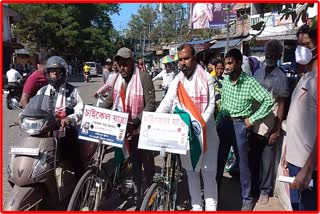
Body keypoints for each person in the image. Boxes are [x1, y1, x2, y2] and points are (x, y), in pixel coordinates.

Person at [156, 44, 219, 211]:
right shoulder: (177, 80)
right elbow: (167, 102)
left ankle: (211, 208)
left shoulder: (207, 77)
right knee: (191, 172)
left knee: (208, 173)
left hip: (207, 134)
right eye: (180, 60)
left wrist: (199, 124)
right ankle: (196, 206)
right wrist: (154, 119)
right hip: (186, 135)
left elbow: (211, 104)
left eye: (186, 58)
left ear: (194, 58)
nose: (183, 62)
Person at [216, 48, 274, 211]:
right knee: (219, 161)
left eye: (229, 63)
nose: (226, 67)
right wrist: (218, 123)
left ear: (239, 63)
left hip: (240, 125)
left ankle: (247, 200)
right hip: (225, 124)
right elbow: (224, 104)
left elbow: (268, 100)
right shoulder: (226, 80)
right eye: (225, 63)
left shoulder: (249, 82)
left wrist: (252, 119)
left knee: (243, 164)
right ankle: (214, 195)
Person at [103, 47, 156, 206]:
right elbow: (110, 100)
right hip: (124, 131)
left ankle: (152, 193)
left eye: (125, 64)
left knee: (147, 165)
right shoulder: (116, 79)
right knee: (134, 166)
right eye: (119, 64)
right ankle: (139, 197)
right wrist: (95, 112)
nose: (122, 68)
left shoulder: (144, 77)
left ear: (132, 62)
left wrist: (136, 122)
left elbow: (151, 105)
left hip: (141, 130)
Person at [281, 24, 317, 211]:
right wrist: (287, 150)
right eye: (298, 44)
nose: (301, 49)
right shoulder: (304, 76)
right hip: (295, 162)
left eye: (306, 44)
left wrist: (309, 167)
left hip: (309, 167)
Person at [252, 40, 289, 205]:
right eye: (268, 52)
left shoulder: (281, 77)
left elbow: (281, 104)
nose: (270, 56)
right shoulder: (257, 73)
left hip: (270, 126)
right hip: (254, 125)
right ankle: (253, 189)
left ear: (279, 56)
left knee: (267, 163)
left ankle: (264, 191)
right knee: (254, 159)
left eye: (274, 53)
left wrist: (276, 129)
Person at [36, 56, 84, 179]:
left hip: (66, 132)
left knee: (75, 158)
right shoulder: (42, 91)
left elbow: (80, 109)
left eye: (58, 72)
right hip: (45, 132)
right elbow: (33, 107)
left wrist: (70, 118)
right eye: (52, 72)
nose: (55, 75)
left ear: (63, 73)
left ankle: (82, 187)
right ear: (48, 74)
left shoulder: (71, 91)